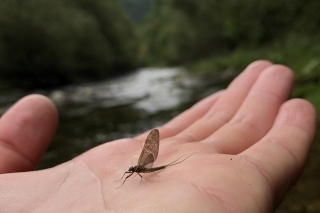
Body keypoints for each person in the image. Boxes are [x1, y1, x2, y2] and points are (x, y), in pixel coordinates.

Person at [0, 60, 316, 212]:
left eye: (133, 171)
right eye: (134, 171)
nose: (132, 173)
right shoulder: (138, 169)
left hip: (155, 167)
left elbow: (141, 170)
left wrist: (144, 171)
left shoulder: (142, 168)